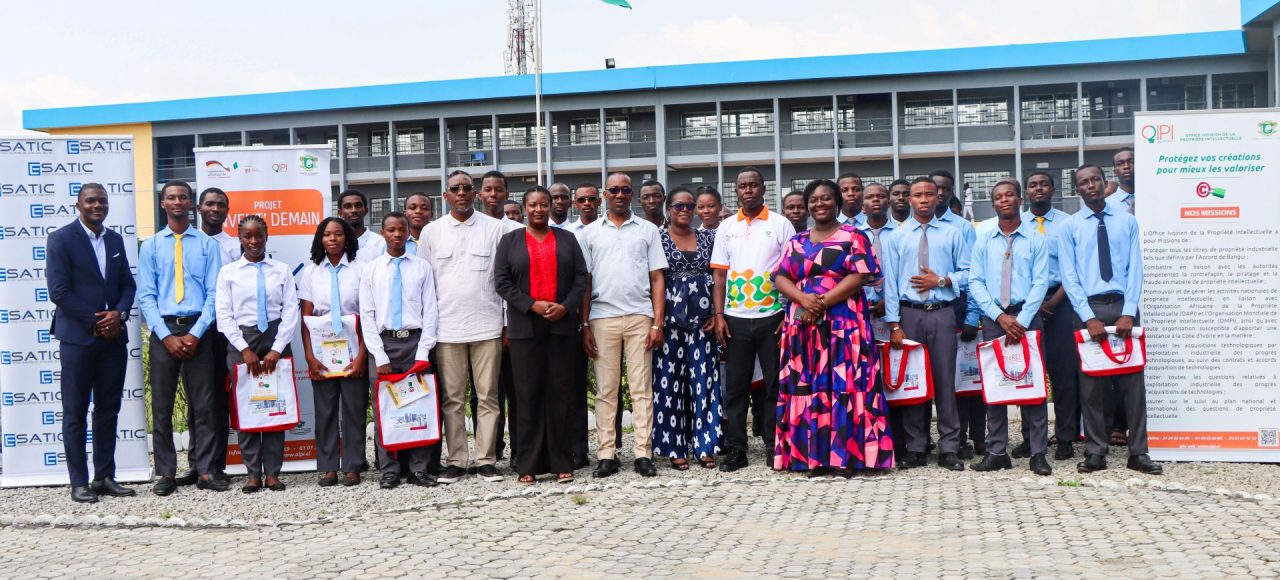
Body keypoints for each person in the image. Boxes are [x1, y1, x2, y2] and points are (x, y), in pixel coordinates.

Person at [773, 179, 892, 475]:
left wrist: (821, 303)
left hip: (844, 325)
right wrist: (803, 299)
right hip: (804, 327)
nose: (819, 204)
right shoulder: (797, 241)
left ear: (837, 202)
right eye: (813, 200)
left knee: (845, 386)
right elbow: (780, 277)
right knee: (807, 387)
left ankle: (846, 458)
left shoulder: (854, 236)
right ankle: (811, 457)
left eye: (826, 198)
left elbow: (860, 276)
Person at [1058, 164, 1162, 476]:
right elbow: (1069, 275)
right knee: (1091, 387)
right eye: (1083, 182)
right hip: (1088, 309)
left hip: (1123, 306)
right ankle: (1095, 452)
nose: (1090, 185)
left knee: (1133, 386)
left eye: (1095, 180)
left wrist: (1129, 310)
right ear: (1077, 189)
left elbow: (1135, 268)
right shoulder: (1070, 227)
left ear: (1106, 183)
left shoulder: (1127, 221)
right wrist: (1087, 316)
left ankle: (1138, 453)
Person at [46, 183, 137, 503]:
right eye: (91, 201)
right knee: (75, 411)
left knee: (108, 410)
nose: (97, 206)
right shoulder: (61, 239)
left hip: (113, 340)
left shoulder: (115, 240)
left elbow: (127, 285)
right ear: (78, 205)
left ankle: (104, 477)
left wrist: (119, 315)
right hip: (78, 339)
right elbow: (59, 291)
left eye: (102, 201)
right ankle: (79, 482)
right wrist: (98, 321)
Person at [495, 186, 589, 484]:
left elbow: (581, 277)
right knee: (527, 394)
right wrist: (531, 304)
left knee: (560, 393)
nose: (539, 209)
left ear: (550, 207)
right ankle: (528, 464)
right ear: (524, 208)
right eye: (533, 205)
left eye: (544, 204)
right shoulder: (510, 241)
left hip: (561, 327)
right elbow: (502, 282)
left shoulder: (567, 239)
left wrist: (566, 307)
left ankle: (562, 461)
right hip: (525, 328)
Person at [420, 169, 508, 484]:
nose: (461, 193)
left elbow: (504, 280)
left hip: (488, 326)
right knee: (452, 399)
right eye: (454, 188)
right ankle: (456, 460)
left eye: (466, 188)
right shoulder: (431, 232)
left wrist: (506, 325)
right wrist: (428, 333)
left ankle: (486, 460)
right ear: (445, 196)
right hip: (447, 329)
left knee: (488, 397)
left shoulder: (495, 228)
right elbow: (424, 284)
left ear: (475, 193)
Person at [578, 172, 668, 478]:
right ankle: (606, 454)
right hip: (602, 317)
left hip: (640, 316)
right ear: (605, 194)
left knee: (641, 389)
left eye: (625, 190)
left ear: (632, 194)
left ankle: (643, 453)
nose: (619, 194)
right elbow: (586, 281)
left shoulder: (647, 230)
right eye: (614, 190)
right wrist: (584, 324)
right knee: (606, 390)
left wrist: (657, 324)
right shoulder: (590, 233)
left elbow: (657, 277)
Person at [138, 180, 224, 495]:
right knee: (161, 407)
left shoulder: (207, 245)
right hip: (164, 332)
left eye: (183, 197)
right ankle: (166, 474)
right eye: (171, 197)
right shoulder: (150, 246)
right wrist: (165, 336)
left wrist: (196, 333)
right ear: (163, 203)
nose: (177, 202)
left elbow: (215, 294)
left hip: (199, 330)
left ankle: (206, 471)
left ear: (191, 204)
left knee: (204, 405)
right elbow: (146, 296)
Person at [710, 166, 797, 472]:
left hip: (772, 317)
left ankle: (774, 445)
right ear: (737, 191)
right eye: (742, 186)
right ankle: (737, 449)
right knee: (735, 388)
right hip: (735, 319)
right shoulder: (726, 227)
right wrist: (719, 315)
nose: (748, 190)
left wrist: (788, 312)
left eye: (753, 185)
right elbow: (719, 275)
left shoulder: (781, 224)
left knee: (774, 385)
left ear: (763, 189)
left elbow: (793, 271)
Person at [883, 177, 971, 471]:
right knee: (913, 382)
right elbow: (891, 284)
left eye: (929, 194)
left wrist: (942, 280)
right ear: (909, 199)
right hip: (910, 314)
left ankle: (949, 447)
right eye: (918, 195)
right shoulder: (897, 236)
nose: (924, 199)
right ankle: (916, 447)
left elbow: (968, 273)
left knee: (945, 381)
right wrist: (894, 324)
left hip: (942, 312)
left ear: (938, 198)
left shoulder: (952, 233)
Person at [965, 179, 1051, 476]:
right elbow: (975, 281)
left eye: (1009, 195)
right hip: (994, 319)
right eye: (999, 197)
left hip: (1027, 318)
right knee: (995, 385)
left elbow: (1041, 282)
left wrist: (1022, 321)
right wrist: (999, 316)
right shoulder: (983, 240)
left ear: (1019, 200)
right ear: (993, 204)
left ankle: (1038, 452)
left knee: (1033, 385)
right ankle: (997, 452)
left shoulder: (1036, 238)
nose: (1004, 200)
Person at [215, 215, 299, 493]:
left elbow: (290, 310)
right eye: (247, 236)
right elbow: (224, 315)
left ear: (266, 236)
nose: (253, 241)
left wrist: (277, 348)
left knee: (275, 404)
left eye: (258, 235)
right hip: (242, 340)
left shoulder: (282, 270)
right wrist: (244, 349)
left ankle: (273, 473)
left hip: (275, 337)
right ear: (240, 238)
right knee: (248, 407)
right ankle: (253, 473)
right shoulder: (229, 273)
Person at [360, 212, 441, 489]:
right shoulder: (371, 269)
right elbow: (367, 315)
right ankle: (390, 470)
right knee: (385, 408)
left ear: (408, 233)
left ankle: (418, 469)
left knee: (418, 405)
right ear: (382, 233)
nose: (397, 234)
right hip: (384, 344)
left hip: (414, 343)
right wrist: (379, 355)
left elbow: (430, 310)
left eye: (401, 230)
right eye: (391, 230)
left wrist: (423, 352)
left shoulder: (421, 267)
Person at [652, 187, 722, 470]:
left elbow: (717, 277)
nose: (685, 210)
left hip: (703, 323)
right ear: (668, 209)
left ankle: (705, 445)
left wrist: (717, 313)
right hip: (669, 324)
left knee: (705, 383)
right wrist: (655, 322)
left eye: (690, 206)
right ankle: (674, 446)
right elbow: (654, 279)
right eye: (679, 206)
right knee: (670, 384)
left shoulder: (708, 238)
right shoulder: (657, 238)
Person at [1013, 170, 1080, 461]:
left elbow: (1074, 268)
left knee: (1064, 375)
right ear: (1026, 192)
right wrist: (1033, 303)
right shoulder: (1017, 225)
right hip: (1027, 306)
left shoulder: (1068, 223)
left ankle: (1065, 438)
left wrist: (1053, 302)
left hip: (1061, 303)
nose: (1038, 189)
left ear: (1053, 189)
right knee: (1027, 373)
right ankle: (1030, 438)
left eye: (1043, 184)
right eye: (1032, 185)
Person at [298, 217, 368, 487]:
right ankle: (328, 467)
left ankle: (353, 466)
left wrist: (362, 356)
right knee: (325, 410)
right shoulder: (311, 273)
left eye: (338, 234)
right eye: (327, 235)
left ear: (347, 238)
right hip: (322, 349)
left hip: (353, 347)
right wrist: (310, 357)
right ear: (321, 239)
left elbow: (369, 316)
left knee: (353, 408)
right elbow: (306, 318)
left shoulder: (361, 270)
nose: (333, 239)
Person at [929, 169, 983, 460]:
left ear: (951, 193)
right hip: (920, 312)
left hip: (955, 308)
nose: (939, 193)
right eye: (934, 188)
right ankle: (922, 441)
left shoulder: (962, 227)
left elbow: (972, 274)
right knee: (924, 379)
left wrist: (972, 315)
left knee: (957, 379)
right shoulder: (910, 227)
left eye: (945, 189)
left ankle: (960, 439)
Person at [191, 186, 237, 487]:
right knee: (196, 399)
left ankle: (216, 465)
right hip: (194, 329)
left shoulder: (234, 246)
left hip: (224, 330)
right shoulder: (188, 242)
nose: (215, 209)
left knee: (218, 399)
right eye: (209, 204)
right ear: (199, 208)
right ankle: (195, 464)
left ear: (227, 211)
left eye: (221, 205)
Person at [477, 170, 521, 466]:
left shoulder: (517, 230)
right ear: (480, 194)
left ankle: (519, 452)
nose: (493, 195)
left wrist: (508, 324)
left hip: (512, 324)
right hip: (480, 324)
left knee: (516, 391)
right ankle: (489, 451)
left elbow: (515, 281)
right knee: (484, 393)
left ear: (506, 193)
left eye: (498, 190)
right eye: (488, 190)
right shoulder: (473, 227)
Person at [858, 182, 901, 451]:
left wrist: (890, 302)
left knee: (896, 375)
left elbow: (905, 272)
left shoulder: (901, 233)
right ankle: (867, 434)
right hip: (859, 313)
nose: (875, 200)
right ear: (862, 205)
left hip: (892, 314)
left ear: (888, 201)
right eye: (870, 197)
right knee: (864, 377)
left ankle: (901, 439)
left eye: (880, 196)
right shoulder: (851, 234)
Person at [566, 182, 601, 468]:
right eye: (582, 199)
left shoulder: (605, 229)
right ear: (574, 204)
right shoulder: (567, 234)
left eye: (592, 198)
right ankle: (576, 449)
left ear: (599, 201)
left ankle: (609, 447)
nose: (587, 203)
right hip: (574, 318)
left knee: (605, 386)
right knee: (573, 385)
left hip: (605, 313)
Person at [337, 189, 384, 263]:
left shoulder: (380, 243)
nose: (353, 210)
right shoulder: (335, 243)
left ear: (366, 210)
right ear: (340, 213)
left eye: (358, 205)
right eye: (348, 206)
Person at [1106, 147, 1135, 215]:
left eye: (1132, 162)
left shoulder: (1153, 199)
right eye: (1120, 163)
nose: (1126, 166)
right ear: (1114, 171)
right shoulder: (1106, 205)